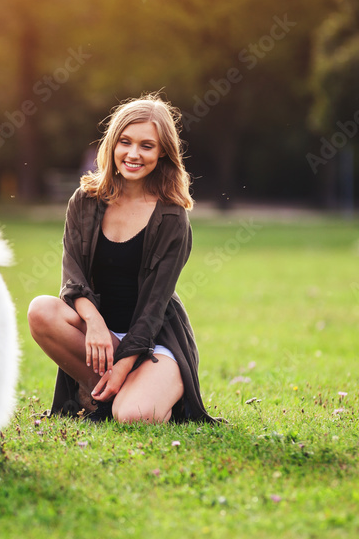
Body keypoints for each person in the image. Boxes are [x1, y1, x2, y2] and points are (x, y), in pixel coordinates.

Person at [27, 94, 219, 425]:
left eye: (147, 146)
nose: (133, 154)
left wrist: (122, 367)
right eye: (125, 142)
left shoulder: (172, 217)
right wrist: (95, 323)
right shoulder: (84, 201)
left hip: (153, 341)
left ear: (162, 153)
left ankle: (130, 392)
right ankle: (107, 395)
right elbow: (72, 278)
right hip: (101, 336)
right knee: (41, 310)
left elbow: (153, 310)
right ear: (112, 143)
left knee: (132, 415)